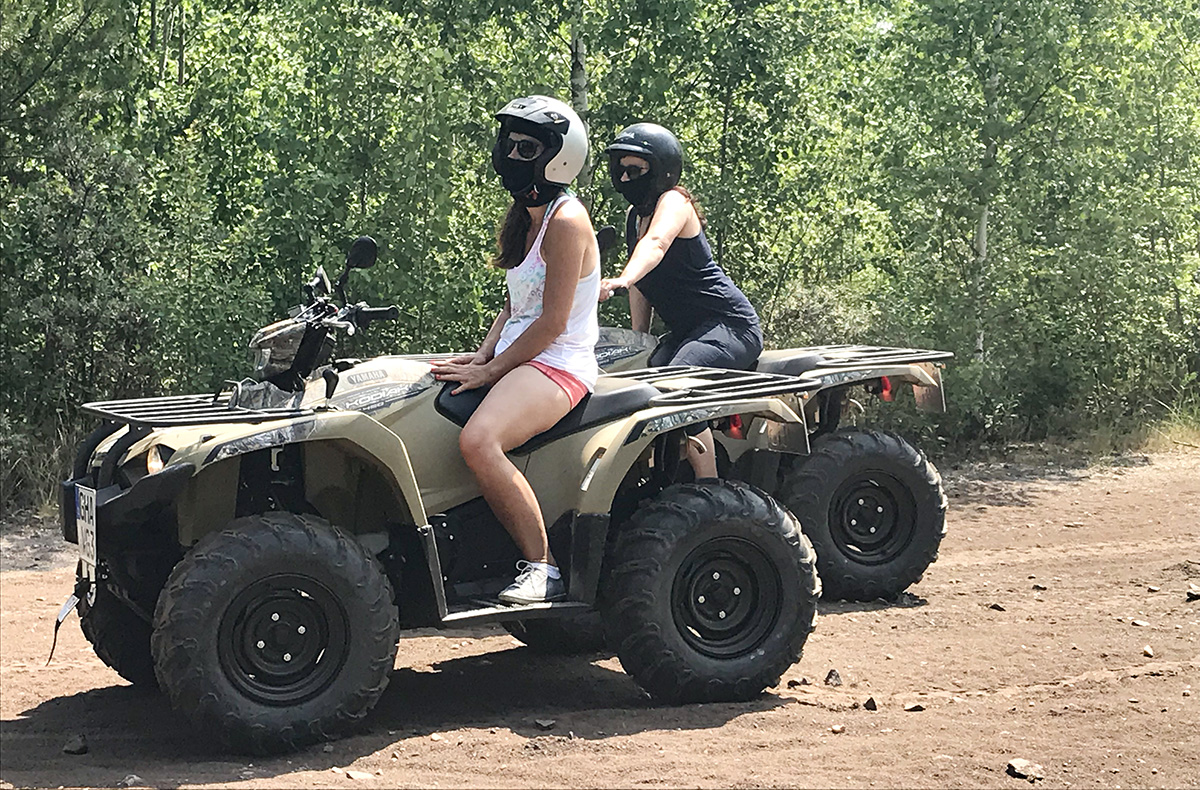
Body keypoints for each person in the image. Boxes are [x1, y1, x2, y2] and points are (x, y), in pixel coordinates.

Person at [431, 96, 599, 605]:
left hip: (559, 362)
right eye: (509, 144)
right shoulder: (526, 216)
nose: (511, 154)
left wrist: (492, 371)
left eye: (526, 148)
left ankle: (543, 568)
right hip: (521, 355)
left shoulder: (566, 220)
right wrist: (482, 357)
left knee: (479, 441)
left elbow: (551, 323)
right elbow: (514, 306)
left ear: (559, 157)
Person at [599, 122, 762, 479]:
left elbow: (655, 245)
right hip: (689, 332)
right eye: (620, 170)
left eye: (635, 170)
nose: (625, 179)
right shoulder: (634, 216)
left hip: (730, 325)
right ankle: (662, 480)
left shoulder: (674, 201)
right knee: (646, 383)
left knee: (678, 385)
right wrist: (639, 338)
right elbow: (644, 284)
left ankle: (710, 489)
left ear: (662, 170)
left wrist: (622, 279)